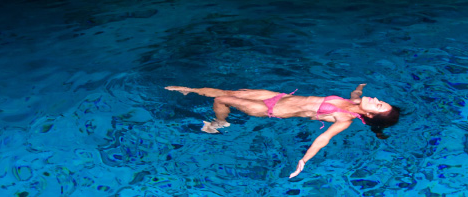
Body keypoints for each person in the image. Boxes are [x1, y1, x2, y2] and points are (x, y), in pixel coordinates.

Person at [165, 83, 400, 178]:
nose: (377, 98)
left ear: (370, 116)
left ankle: (220, 123)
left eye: (378, 104)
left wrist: (304, 161)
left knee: (221, 99)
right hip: (278, 97)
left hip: (271, 110)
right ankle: (191, 90)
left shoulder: (344, 118)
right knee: (232, 92)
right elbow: (356, 95)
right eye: (380, 100)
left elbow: (323, 139)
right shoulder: (356, 102)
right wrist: (359, 87)